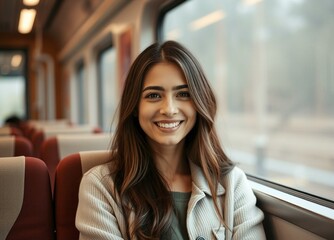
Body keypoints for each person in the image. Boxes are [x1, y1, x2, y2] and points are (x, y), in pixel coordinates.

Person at [75, 41, 266, 239]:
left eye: (183, 94)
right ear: (134, 107)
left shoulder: (232, 183)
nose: (169, 109)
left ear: (199, 103)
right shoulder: (100, 187)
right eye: (154, 95)